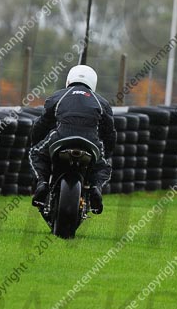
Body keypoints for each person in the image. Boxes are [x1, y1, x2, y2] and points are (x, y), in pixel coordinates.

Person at [29, 64, 115, 213]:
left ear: (69, 80)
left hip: (61, 136)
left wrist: (35, 142)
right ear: (93, 82)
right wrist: (106, 155)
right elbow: (110, 132)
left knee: (35, 153)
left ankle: (42, 183)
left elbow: (41, 124)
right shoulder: (102, 102)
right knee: (103, 166)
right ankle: (95, 188)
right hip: (91, 141)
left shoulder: (57, 96)